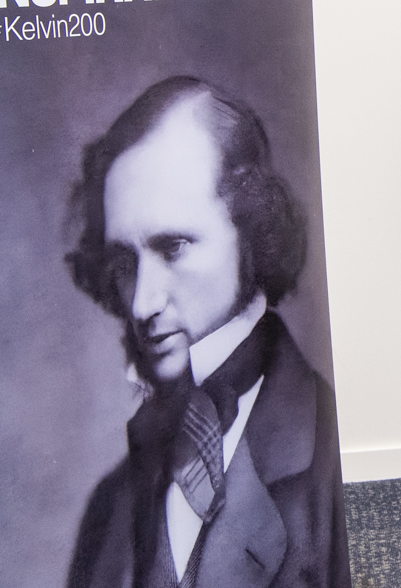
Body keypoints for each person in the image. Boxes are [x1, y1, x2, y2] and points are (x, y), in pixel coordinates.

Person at [64, 76, 349, 588]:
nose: (142, 302)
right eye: (125, 262)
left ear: (251, 229)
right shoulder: (110, 506)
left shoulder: (332, 454)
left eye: (172, 247)